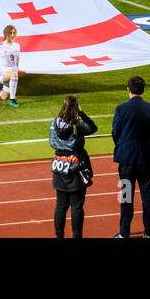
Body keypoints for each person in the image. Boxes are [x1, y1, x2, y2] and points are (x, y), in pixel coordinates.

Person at [111, 75, 150, 238]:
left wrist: (124, 146)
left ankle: (124, 233)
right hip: (146, 158)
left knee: (126, 196)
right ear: (144, 90)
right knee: (147, 195)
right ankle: (149, 233)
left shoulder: (121, 109)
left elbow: (115, 133)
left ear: (128, 90)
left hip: (126, 160)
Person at [49, 95, 97, 238]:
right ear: (76, 107)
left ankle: (59, 235)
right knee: (76, 206)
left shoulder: (53, 123)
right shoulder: (78, 125)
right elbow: (93, 127)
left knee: (60, 205)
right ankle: (77, 236)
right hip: (76, 166)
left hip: (59, 167)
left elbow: (51, 142)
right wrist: (82, 113)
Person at [0, 24, 21, 107]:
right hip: (2, 73)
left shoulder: (17, 45)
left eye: (14, 33)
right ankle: (12, 100)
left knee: (4, 96)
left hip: (11, 73)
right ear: (6, 34)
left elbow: (18, 57)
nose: (13, 35)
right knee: (14, 75)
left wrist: (17, 68)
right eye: (11, 33)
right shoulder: (0, 46)